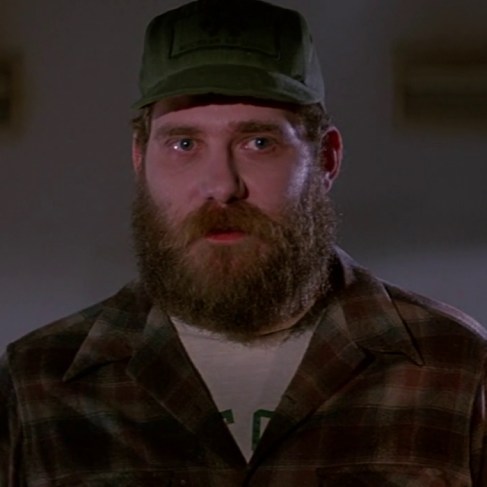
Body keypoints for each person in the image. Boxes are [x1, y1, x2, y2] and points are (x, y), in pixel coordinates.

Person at [1, 0, 486, 485]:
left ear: (326, 159)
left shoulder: (455, 367)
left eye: (259, 143)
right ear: (139, 159)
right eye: (184, 144)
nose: (222, 185)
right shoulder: (37, 381)